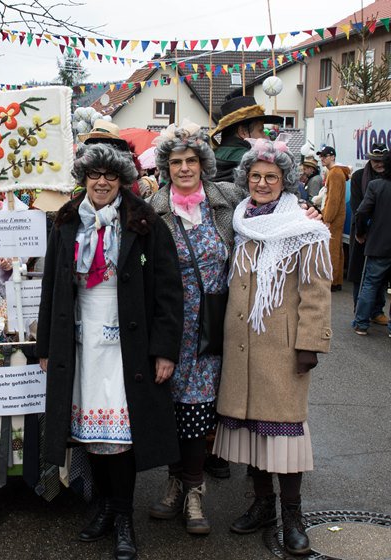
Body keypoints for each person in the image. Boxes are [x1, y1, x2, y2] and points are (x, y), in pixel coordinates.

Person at [37, 142, 183, 560]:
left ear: (123, 180)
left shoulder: (144, 221)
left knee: (119, 440)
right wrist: (47, 344)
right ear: (84, 178)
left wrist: (165, 351)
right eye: (94, 175)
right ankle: (102, 507)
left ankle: (123, 519)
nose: (101, 183)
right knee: (88, 434)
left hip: (128, 347)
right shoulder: (67, 219)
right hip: (80, 342)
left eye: (110, 176)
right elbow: (51, 287)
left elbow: (170, 293)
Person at [213, 138, 332, 557]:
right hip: (240, 343)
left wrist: (310, 345)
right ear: (246, 179)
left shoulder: (305, 226)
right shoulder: (240, 222)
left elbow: (316, 290)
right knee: (251, 433)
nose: (262, 183)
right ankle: (262, 506)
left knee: (284, 434)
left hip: (281, 348)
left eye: (271, 177)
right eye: (256, 176)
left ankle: (293, 517)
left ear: (285, 182)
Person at [148, 120, 242, 534]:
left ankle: (194, 492)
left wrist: (308, 210)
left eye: (190, 161)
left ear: (203, 164)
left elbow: (273, 206)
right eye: (175, 162)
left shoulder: (228, 200)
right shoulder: (153, 210)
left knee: (198, 410)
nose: (184, 168)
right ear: (165, 168)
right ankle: (175, 482)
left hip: (215, 323)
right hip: (171, 324)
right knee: (170, 408)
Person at [352, 149, 391, 337]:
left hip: (379, 244)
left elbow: (361, 212)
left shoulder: (376, 185)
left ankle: (361, 324)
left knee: (370, 283)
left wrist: (361, 232)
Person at [209, 95, 284, 184]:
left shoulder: (207, 159)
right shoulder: (256, 160)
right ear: (243, 132)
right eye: (260, 131)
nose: (266, 137)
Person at [316, 145, 350, 292]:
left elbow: (333, 199)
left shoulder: (335, 173)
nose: (322, 158)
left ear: (332, 156)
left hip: (333, 217)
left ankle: (332, 281)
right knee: (336, 248)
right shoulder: (335, 172)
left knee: (332, 249)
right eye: (321, 156)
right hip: (337, 216)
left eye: (325, 156)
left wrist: (327, 218)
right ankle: (336, 280)